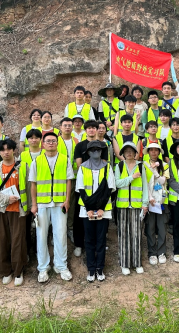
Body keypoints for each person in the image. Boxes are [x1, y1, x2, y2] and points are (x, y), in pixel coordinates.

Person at [30, 133, 74, 283]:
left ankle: (61, 266)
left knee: (60, 235)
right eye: (48, 141)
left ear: (57, 143)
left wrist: (67, 200)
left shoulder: (64, 159)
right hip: (42, 204)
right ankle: (43, 267)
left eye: (53, 141)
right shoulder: (37, 161)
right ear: (43, 144)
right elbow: (33, 184)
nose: (50, 143)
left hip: (60, 203)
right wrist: (34, 204)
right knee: (41, 236)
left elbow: (68, 181)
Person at [0, 139, 32, 287]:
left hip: (19, 210)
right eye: (2, 150)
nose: (6, 152)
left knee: (18, 241)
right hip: (1, 209)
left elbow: (30, 187)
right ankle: (6, 271)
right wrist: (6, 199)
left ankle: (18, 271)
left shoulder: (23, 166)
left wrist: (30, 207)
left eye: (8, 149)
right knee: (1, 240)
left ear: (14, 150)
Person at [76, 141, 116, 282]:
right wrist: (88, 209)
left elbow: (110, 188)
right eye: (92, 149)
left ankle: (100, 268)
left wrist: (101, 208)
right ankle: (91, 269)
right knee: (89, 240)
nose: (95, 152)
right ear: (88, 152)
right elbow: (81, 189)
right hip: (86, 210)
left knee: (101, 239)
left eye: (98, 149)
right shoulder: (82, 168)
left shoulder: (107, 167)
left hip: (102, 210)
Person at [73, 121, 110, 257]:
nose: (91, 130)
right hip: (85, 184)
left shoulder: (103, 145)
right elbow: (79, 165)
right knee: (81, 216)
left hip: (100, 186)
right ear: (85, 130)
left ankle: (100, 244)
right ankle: (79, 244)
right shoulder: (80, 145)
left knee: (101, 216)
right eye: (89, 128)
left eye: (94, 128)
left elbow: (104, 164)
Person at [115, 142, 151, 275]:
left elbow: (145, 186)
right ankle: (124, 264)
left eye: (131, 151)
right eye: (126, 151)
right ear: (123, 154)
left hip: (137, 205)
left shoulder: (141, 166)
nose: (129, 153)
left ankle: (137, 263)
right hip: (122, 205)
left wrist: (145, 203)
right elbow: (117, 183)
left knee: (136, 234)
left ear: (136, 153)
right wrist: (131, 177)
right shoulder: (119, 166)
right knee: (123, 234)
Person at [143, 143, 169, 265]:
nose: (153, 152)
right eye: (151, 150)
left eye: (156, 150)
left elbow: (163, 181)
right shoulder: (144, 165)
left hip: (162, 201)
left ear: (159, 152)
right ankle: (152, 253)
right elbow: (144, 183)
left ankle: (161, 251)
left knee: (162, 226)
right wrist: (149, 197)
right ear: (148, 152)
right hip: (150, 201)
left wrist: (154, 170)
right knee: (150, 227)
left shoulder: (165, 165)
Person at [58, 117, 79, 238]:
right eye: (65, 125)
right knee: (59, 204)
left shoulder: (76, 140)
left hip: (73, 178)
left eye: (69, 125)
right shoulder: (56, 141)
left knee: (71, 204)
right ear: (60, 127)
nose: (67, 127)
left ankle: (70, 228)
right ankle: (59, 230)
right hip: (59, 178)